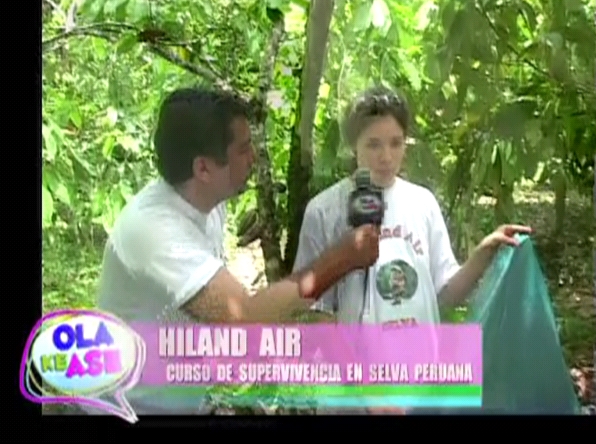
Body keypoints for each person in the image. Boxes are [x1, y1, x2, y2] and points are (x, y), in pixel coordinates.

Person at [92, 88, 380, 415]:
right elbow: (243, 319)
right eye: (243, 149)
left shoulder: (207, 202)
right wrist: (343, 257)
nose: (253, 157)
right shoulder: (155, 230)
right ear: (203, 169)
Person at [293, 86, 531, 414]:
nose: (386, 156)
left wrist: (484, 253)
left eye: (396, 143)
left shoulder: (422, 203)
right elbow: (318, 316)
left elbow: (445, 294)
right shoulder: (325, 211)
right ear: (353, 145)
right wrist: (369, 397)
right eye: (373, 144)